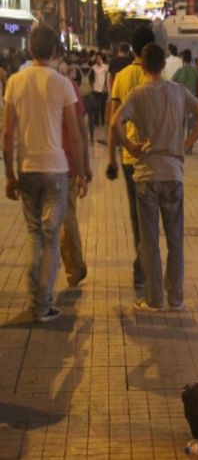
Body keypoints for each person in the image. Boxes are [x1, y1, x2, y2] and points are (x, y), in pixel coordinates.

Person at [111, 43, 198, 311]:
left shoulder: (137, 94)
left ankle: (154, 299)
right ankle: (176, 297)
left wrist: (130, 147)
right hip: (174, 173)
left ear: (142, 66)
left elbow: (114, 122)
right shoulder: (178, 92)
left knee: (150, 241)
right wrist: (186, 142)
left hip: (146, 174)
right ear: (164, 65)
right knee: (175, 239)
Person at [3, 24, 88, 322]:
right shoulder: (63, 84)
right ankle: (43, 303)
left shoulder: (15, 81)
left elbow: (7, 133)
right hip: (56, 169)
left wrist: (9, 174)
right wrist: (80, 172)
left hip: (27, 170)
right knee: (51, 237)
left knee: (34, 234)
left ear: (29, 49)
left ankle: (35, 298)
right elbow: (75, 134)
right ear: (55, 50)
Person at [108, 26, 156, 289]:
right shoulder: (158, 75)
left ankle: (143, 267)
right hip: (155, 156)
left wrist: (111, 157)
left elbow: (112, 119)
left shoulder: (122, 76)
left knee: (136, 215)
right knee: (153, 214)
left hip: (129, 157)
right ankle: (145, 265)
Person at [56, 44, 93, 289]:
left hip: (36, 165)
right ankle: (74, 268)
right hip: (65, 162)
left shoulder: (23, 83)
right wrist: (83, 169)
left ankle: (70, 269)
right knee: (66, 217)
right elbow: (79, 130)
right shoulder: (69, 87)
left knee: (51, 222)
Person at [172, 49, 198, 144]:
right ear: (191, 58)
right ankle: (189, 146)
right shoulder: (195, 71)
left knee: (181, 124)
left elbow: (172, 82)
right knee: (191, 125)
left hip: (181, 101)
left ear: (183, 58)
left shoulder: (180, 71)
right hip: (192, 102)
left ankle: (180, 144)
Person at [91, 53, 109, 127]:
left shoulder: (105, 67)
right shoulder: (93, 67)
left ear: (102, 59)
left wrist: (105, 86)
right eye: (97, 58)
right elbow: (92, 78)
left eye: (99, 58)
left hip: (103, 89)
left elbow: (107, 77)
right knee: (96, 106)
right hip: (95, 89)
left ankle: (102, 121)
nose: (98, 60)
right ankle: (96, 121)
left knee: (103, 106)